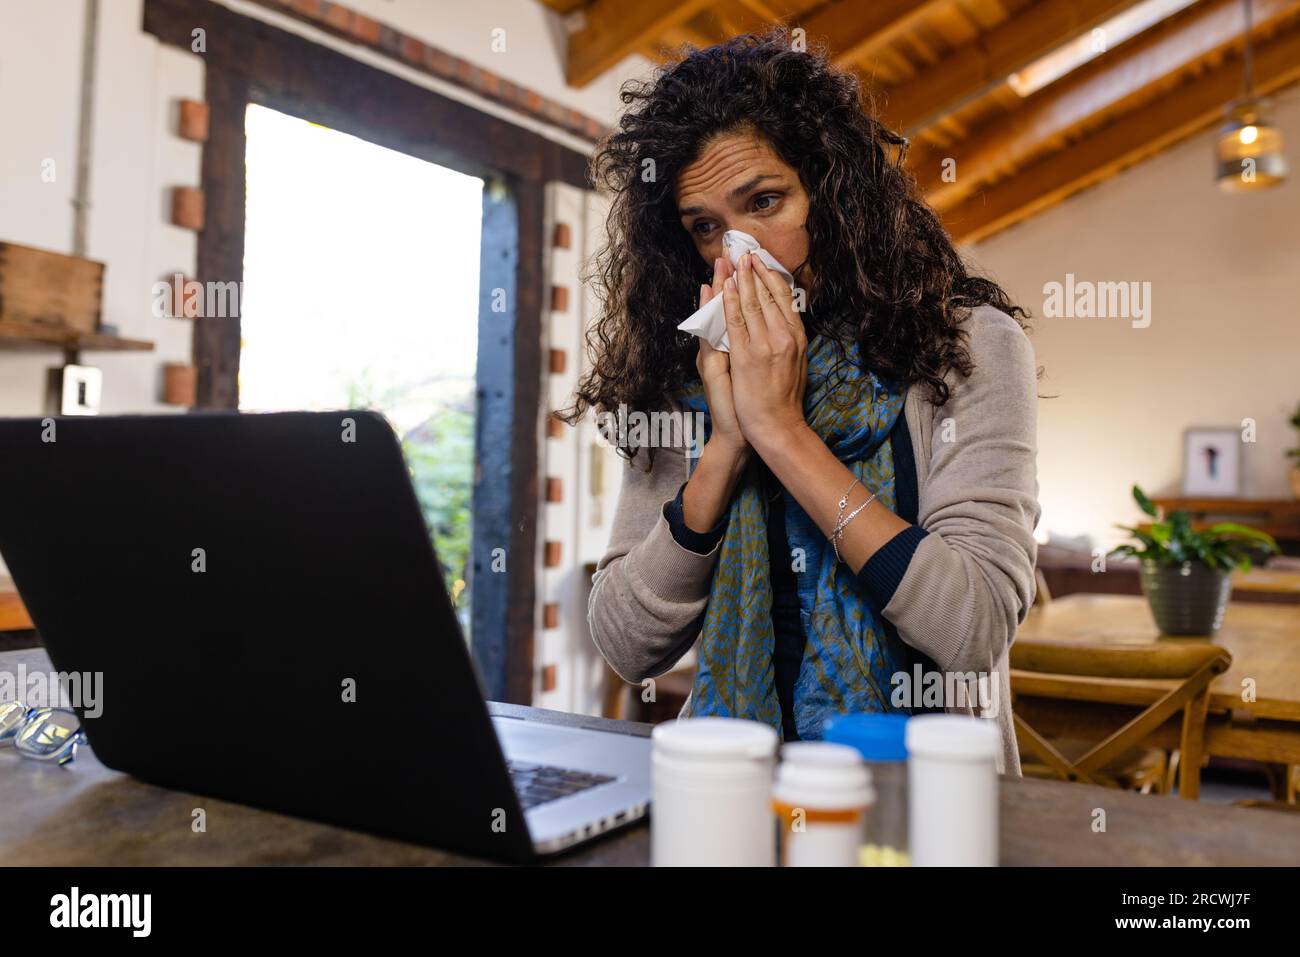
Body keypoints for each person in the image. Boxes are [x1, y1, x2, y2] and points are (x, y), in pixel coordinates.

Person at [564, 30, 1039, 773]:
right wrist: (723, 447)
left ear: (836, 193)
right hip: (729, 789)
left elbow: (973, 626)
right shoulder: (687, 371)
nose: (739, 252)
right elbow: (627, 644)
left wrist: (782, 430)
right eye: (706, 227)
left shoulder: (968, 345)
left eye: (766, 201)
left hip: (921, 797)